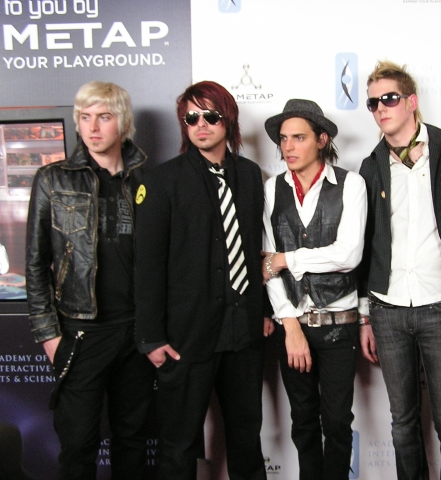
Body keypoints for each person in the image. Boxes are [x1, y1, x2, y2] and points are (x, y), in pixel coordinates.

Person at [133, 81, 272, 480]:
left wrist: (262, 311)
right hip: (186, 337)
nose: (201, 125)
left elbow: (256, 249)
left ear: (228, 120)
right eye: (191, 118)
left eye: (210, 116)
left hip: (242, 332)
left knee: (247, 439)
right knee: (178, 446)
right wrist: (151, 337)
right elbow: (148, 265)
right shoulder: (162, 181)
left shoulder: (250, 175)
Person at [358, 60, 441, 480]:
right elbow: (366, 244)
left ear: (411, 102)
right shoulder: (371, 166)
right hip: (388, 309)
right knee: (403, 424)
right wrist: (366, 315)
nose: (381, 107)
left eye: (389, 98)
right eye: (373, 102)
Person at [26, 81, 154, 479]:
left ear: (124, 123)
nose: (92, 127)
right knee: (78, 445)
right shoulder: (53, 179)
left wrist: (155, 329)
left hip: (135, 333)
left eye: (104, 117)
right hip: (80, 332)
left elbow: (161, 261)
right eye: (85, 117)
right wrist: (49, 335)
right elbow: (35, 263)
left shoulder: (147, 181)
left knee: (133, 440)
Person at [262, 99, 367, 480]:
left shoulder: (351, 184)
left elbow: (349, 255)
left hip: (340, 324)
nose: (288, 147)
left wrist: (287, 259)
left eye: (299, 138)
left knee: (337, 422)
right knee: (303, 421)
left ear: (322, 140)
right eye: (283, 139)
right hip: (293, 325)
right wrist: (290, 324)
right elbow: (266, 265)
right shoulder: (272, 189)